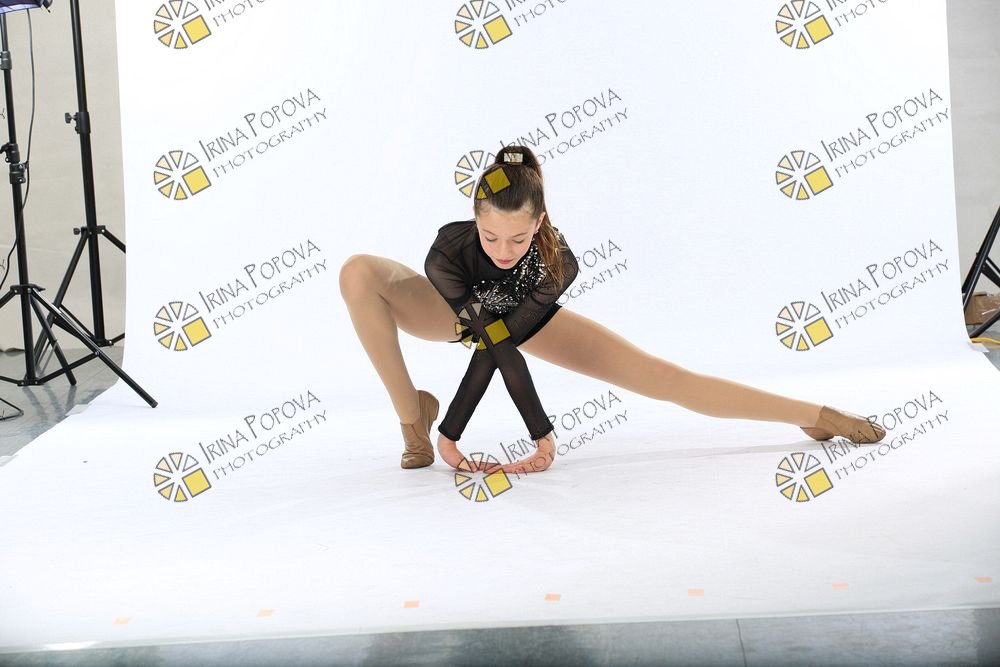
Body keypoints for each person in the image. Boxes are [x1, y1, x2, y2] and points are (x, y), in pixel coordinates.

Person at [339, 145, 886, 475]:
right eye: (490, 237)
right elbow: (482, 337)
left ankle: (815, 415)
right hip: (460, 314)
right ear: (474, 219)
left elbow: (502, 346)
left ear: (540, 222)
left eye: (518, 239)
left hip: (521, 321)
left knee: (664, 378)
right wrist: (448, 434)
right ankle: (412, 417)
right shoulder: (447, 251)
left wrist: (539, 434)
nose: (503, 251)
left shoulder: (557, 262)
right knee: (358, 272)